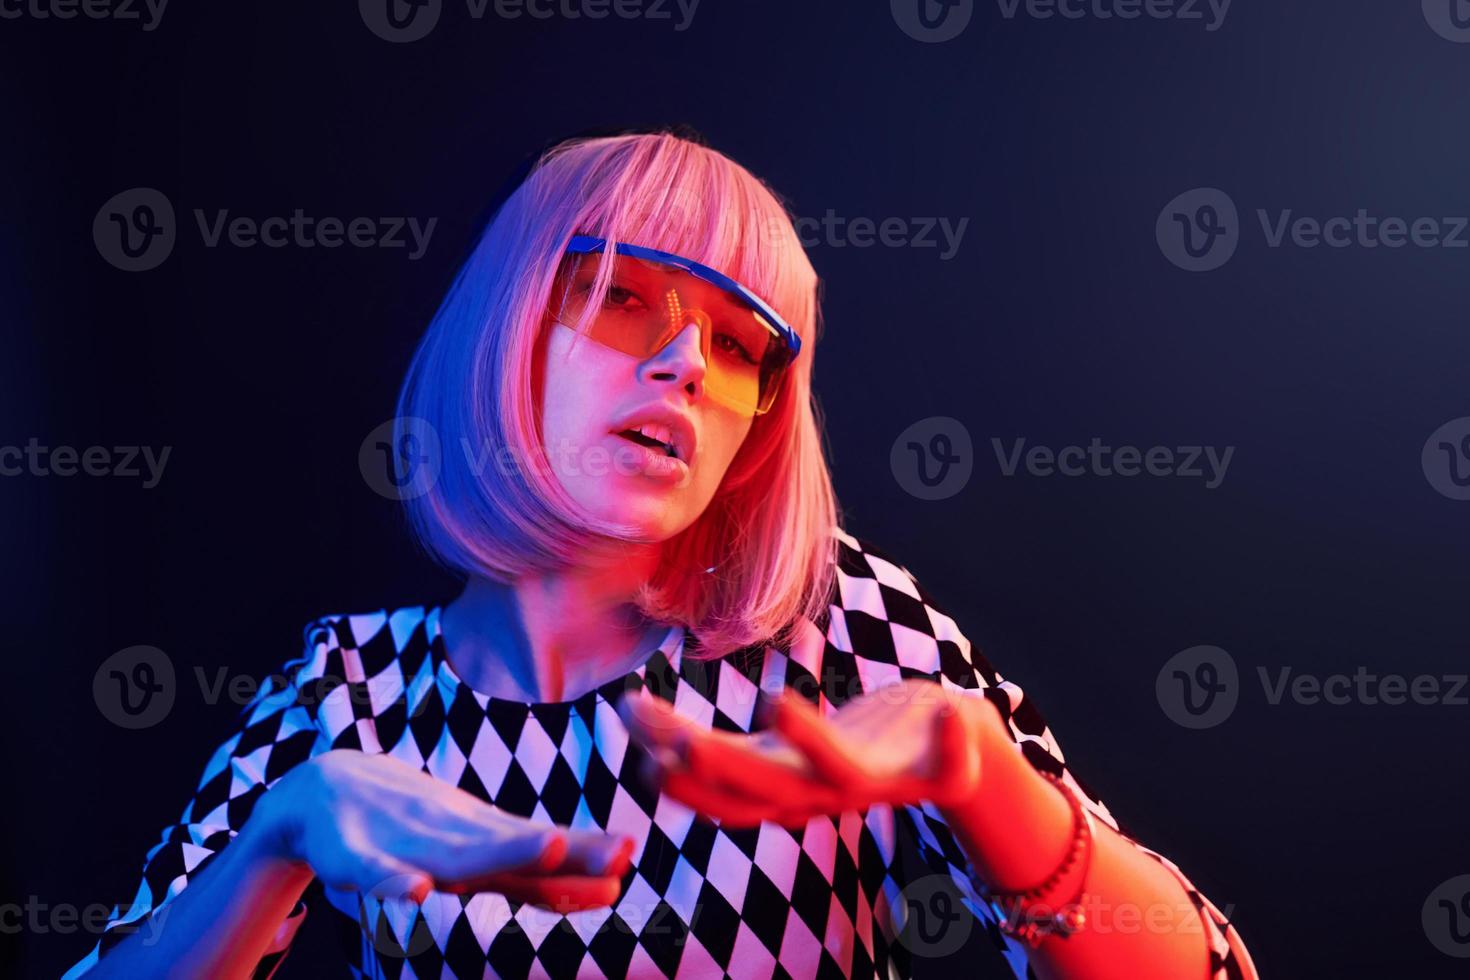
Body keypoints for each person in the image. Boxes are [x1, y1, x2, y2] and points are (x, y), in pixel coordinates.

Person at [64, 129, 1259, 979]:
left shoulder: (836, 628)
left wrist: (986, 776)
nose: (689, 363)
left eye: (743, 344)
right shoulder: (351, 693)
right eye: (623, 294)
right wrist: (281, 834)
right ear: (502, 327)